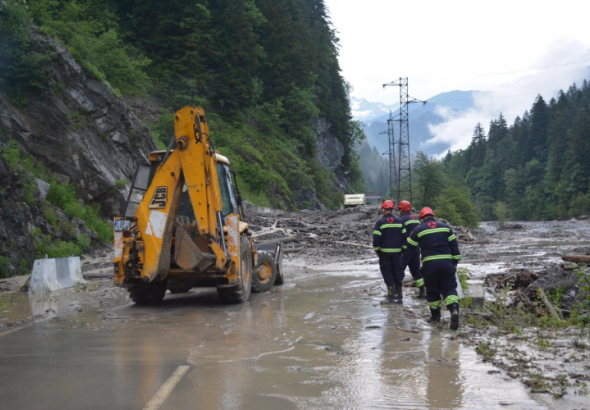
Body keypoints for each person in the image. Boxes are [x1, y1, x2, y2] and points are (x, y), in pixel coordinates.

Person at [406, 207, 462, 330]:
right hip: (447, 263)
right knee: (449, 289)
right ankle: (454, 310)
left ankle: (436, 318)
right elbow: (454, 246)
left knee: (432, 291)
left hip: (430, 265)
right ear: (433, 216)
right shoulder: (446, 227)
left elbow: (410, 247)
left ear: (421, 219)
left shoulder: (418, 229)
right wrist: (455, 262)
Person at [373, 200, 407, 304]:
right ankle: (400, 297)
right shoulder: (400, 221)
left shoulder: (380, 223)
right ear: (392, 209)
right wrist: (403, 250)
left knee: (387, 274)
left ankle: (391, 297)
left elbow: (376, 239)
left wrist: (377, 250)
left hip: (385, 254)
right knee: (398, 273)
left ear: (383, 209)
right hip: (397, 253)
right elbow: (405, 238)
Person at [398, 200, 426, 299]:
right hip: (416, 248)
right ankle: (423, 291)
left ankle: (397, 292)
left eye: (400, 209)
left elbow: (400, 235)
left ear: (402, 209)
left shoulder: (401, 220)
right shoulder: (416, 219)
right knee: (416, 271)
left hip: (406, 249)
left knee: (399, 270)